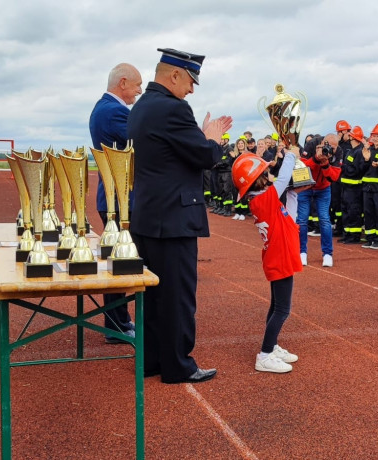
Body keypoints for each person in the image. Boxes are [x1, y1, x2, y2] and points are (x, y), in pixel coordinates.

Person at [127, 48, 232, 384]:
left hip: (148, 216)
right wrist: (213, 138)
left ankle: (152, 360)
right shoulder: (174, 109)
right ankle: (178, 366)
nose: (191, 90)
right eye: (190, 81)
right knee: (177, 297)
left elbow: (172, 152)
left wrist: (198, 136)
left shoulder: (142, 106)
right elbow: (205, 156)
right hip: (174, 219)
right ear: (174, 75)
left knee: (152, 296)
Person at [232, 150, 303, 373]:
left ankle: (271, 347)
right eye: (265, 173)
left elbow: (289, 216)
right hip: (280, 258)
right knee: (282, 310)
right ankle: (264, 354)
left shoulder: (264, 199)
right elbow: (283, 179)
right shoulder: (265, 199)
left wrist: (293, 193)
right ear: (259, 179)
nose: (269, 174)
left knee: (276, 306)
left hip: (279, 256)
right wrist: (290, 155)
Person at [89, 62, 142, 344]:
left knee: (118, 261)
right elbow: (143, 143)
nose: (139, 91)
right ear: (123, 83)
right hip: (120, 200)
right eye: (137, 85)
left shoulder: (103, 107)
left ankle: (118, 321)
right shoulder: (114, 112)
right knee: (121, 263)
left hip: (114, 198)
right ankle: (117, 325)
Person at [297, 134, 341, 267]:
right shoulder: (311, 144)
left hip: (323, 188)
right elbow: (301, 167)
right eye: (329, 146)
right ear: (323, 142)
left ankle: (327, 254)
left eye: (334, 148)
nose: (331, 150)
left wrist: (325, 164)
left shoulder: (338, 151)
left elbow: (334, 177)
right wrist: (316, 159)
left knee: (325, 219)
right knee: (302, 220)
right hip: (305, 186)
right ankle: (301, 252)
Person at [339, 125, 366, 244]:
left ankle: (354, 236)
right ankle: (347, 234)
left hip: (354, 188)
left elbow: (357, 170)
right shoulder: (351, 151)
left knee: (353, 212)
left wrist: (344, 168)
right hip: (346, 187)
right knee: (346, 211)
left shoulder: (359, 151)